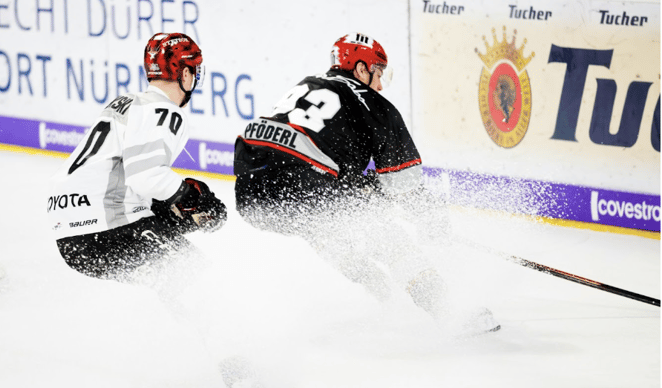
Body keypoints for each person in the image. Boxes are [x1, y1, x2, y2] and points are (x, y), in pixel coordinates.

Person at [234, 33, 500, 338]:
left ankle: (384, 294)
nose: (380, 84)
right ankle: (449, 313)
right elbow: (404, 184)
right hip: (305, 184)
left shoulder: (307, 84)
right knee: (387, 238)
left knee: (326, 222)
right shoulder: (372, 103)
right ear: (360, 69)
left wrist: (365, 191)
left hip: (251, 193)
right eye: (378, 73)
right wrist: (430, 219)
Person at [47, 32, 226, 303]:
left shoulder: (127, 102)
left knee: (171, 283)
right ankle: (213, 342)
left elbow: (129, 180)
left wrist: (174, 208)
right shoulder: (164, 111)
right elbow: (147, 176)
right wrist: (190, 197)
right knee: (195, 280)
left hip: (70, 233)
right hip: (105, 228)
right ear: (186, 74)